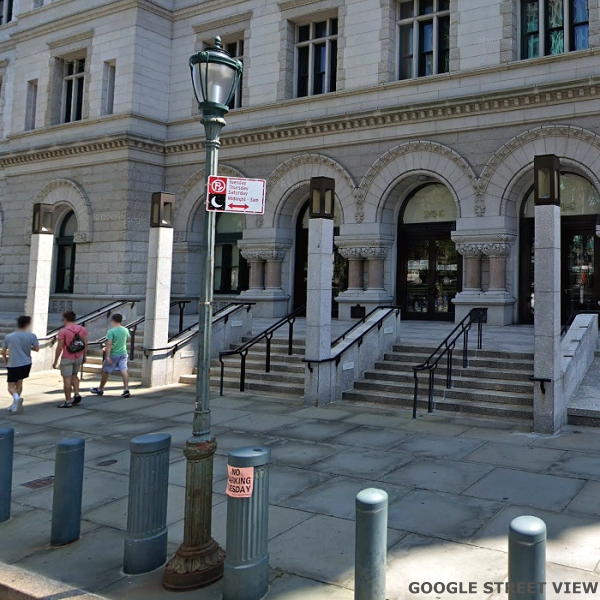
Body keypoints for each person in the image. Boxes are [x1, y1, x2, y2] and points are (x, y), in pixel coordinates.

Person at [1, 316, 39, 414]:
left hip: (14, 363)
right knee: (19, 383)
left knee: (10, 386)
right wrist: (27, 347)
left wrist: (5, 360)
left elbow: (3, 351)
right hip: (26, 362)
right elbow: (36, 348)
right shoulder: (32, 336)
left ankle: (17, 399)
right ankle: (15, 404)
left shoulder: (9, 337)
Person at [53, 310, 88, 408]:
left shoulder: (63, 331)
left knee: (67, 379)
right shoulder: (82, 329)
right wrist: (84, 356)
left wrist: (55, 361)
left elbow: (59, 347)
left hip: (67, 357)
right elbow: (85, 344)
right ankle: (76, 393)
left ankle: (68, 401)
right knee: (75, 375)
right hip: (79, 356)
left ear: (65, 319)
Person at [90, 313, 131, 398]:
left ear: (113, 320)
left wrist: (107, 355)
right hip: (123, 352)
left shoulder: (111, 331)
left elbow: (109, 343)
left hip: (113, 353)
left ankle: (100, 389)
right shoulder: (125, 330)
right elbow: (125, 340)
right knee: (124, 370)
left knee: (106, 371)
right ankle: (126, 389)